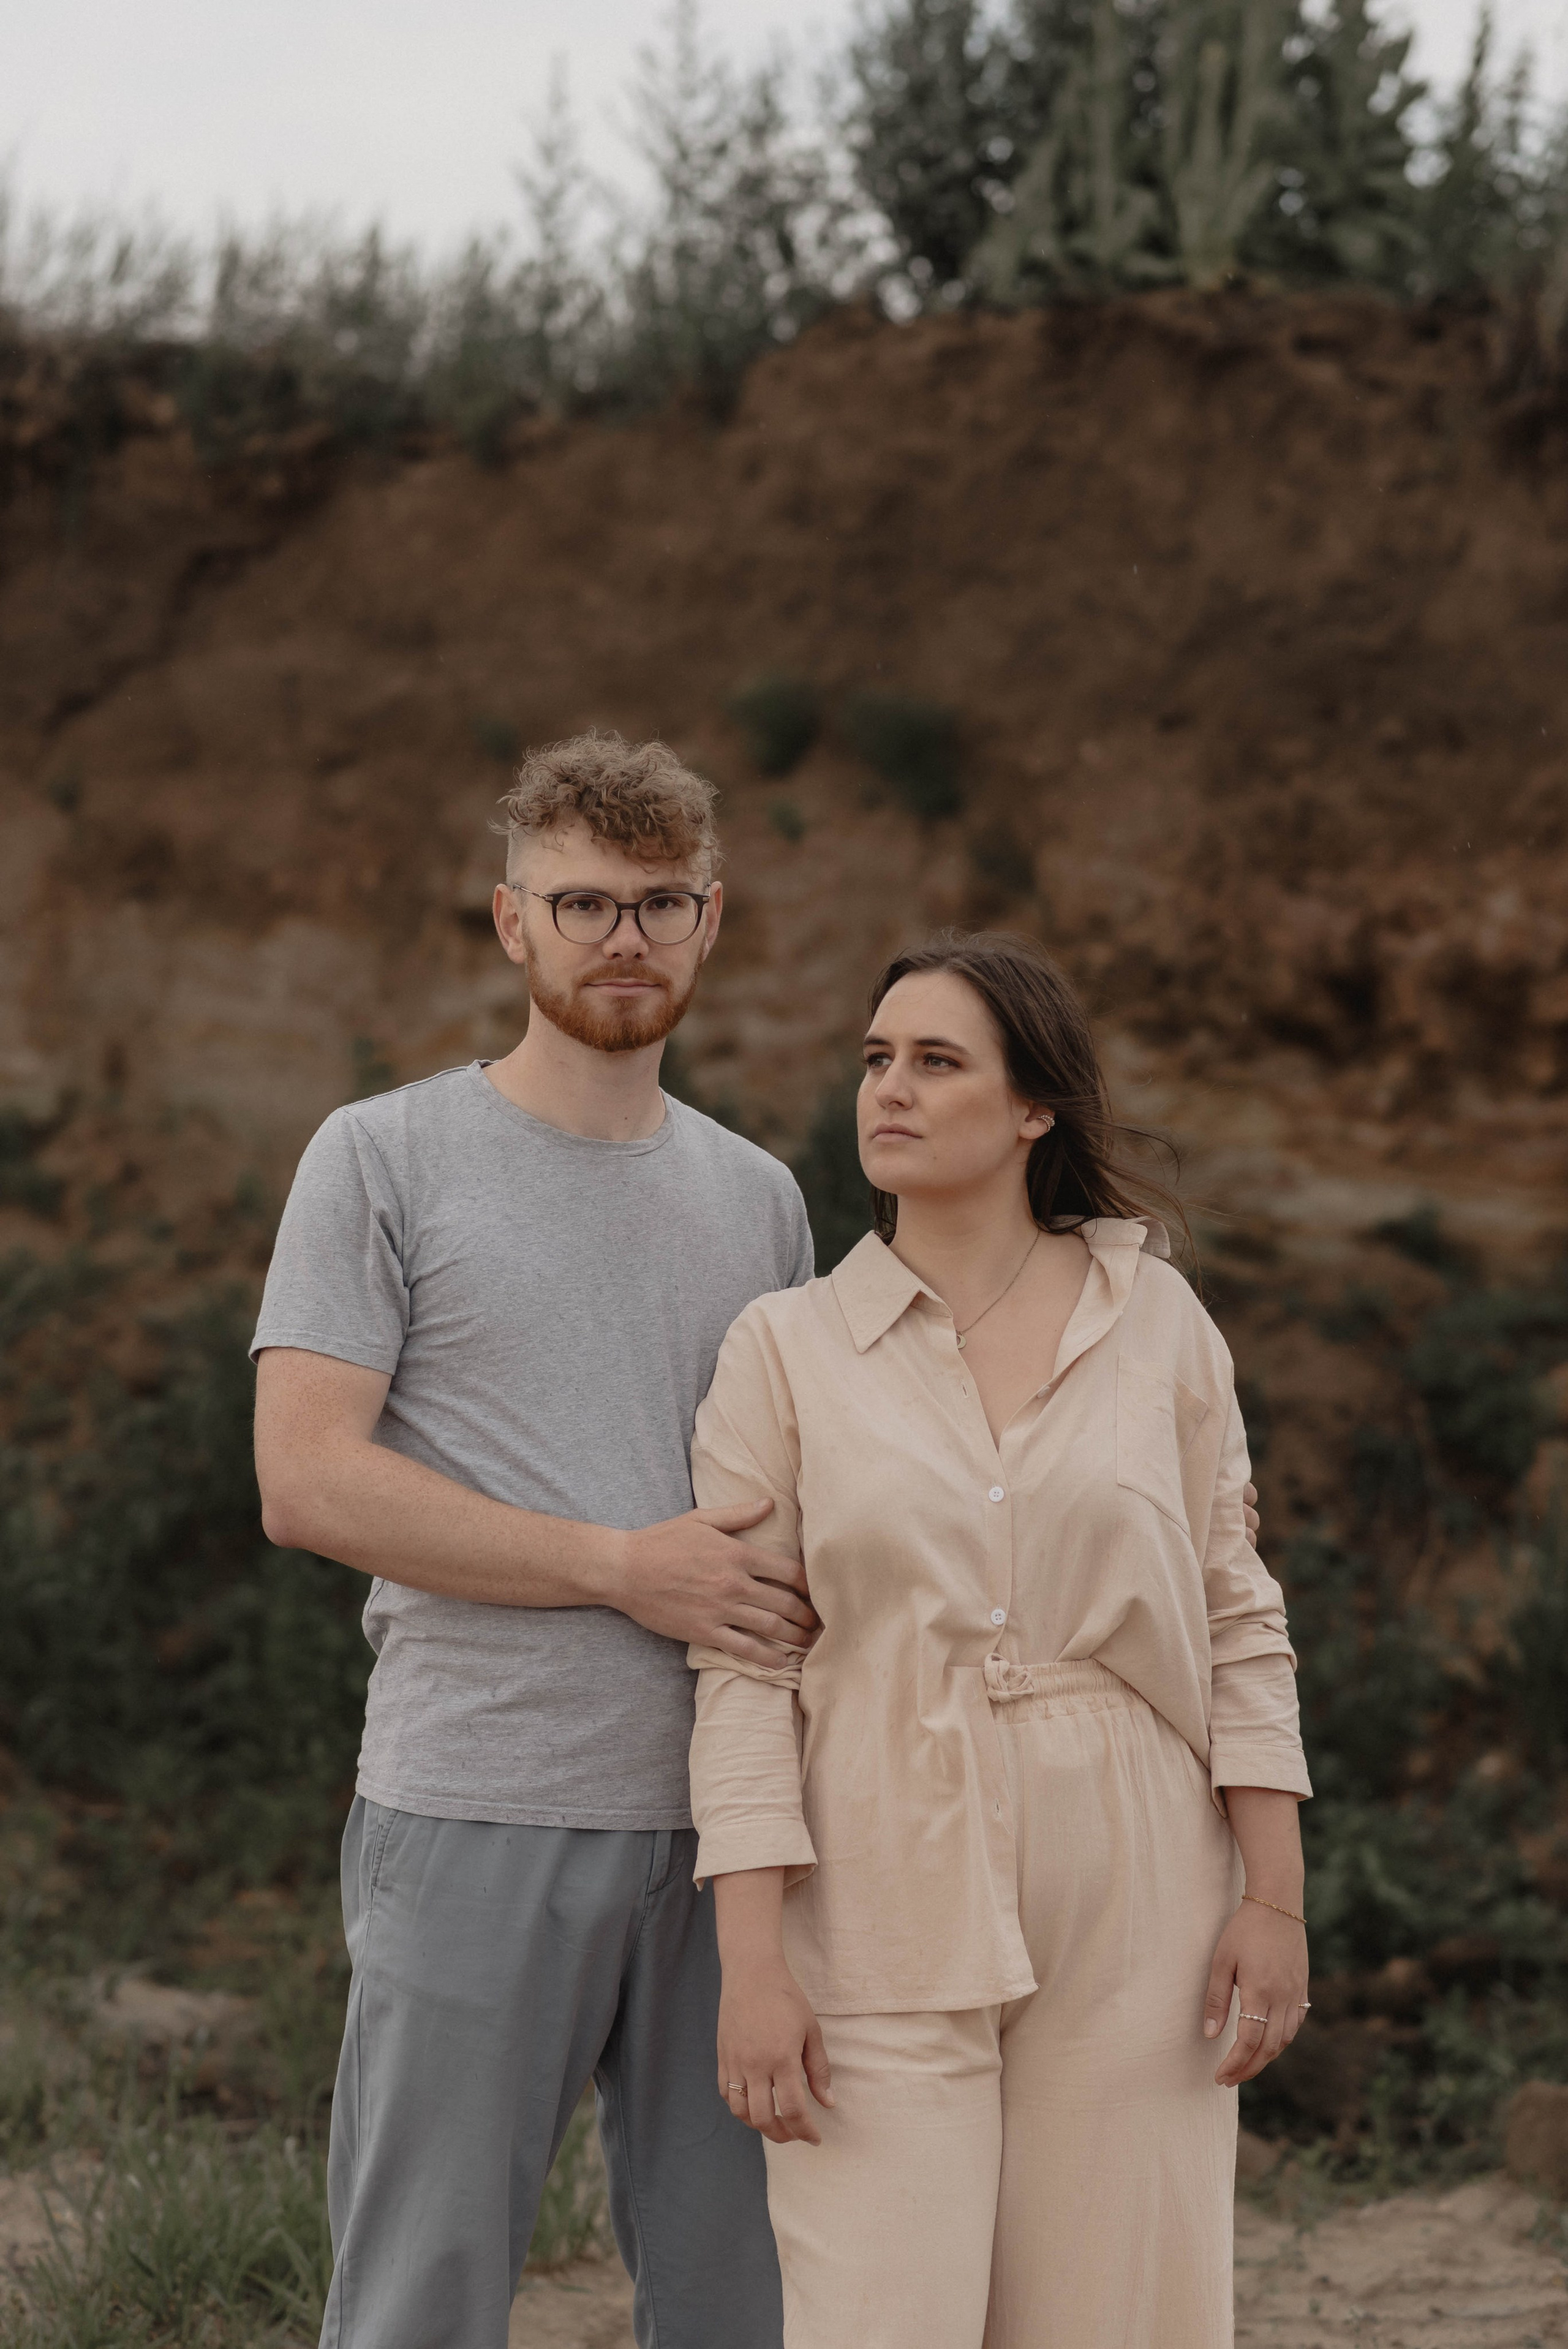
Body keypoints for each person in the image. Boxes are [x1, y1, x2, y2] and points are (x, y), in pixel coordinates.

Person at [251, 733, 819, 2349]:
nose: (621, 937)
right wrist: (621, 1567)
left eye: (658, 903)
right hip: (479, 1796)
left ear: (712, 922)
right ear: (512, 924)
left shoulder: (761, 1198)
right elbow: (307, 1482)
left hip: (732, 1835)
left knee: (739, 2301)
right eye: (582, 903)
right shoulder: (382, 1156)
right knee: (424, 2297)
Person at [685, 931, 1310, 2349]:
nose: (886, 1090)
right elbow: (741, 1670)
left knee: (1121, 2312)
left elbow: (1235, 1613)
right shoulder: (782, 1350)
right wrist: (751, 1967)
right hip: (872, 1866)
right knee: (875, 2313)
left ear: (1034, 1107)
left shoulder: (1153, 1319)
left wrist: (1269, 1897)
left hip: (1141, 1869)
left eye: (934, 1060)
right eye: (873, 1060)